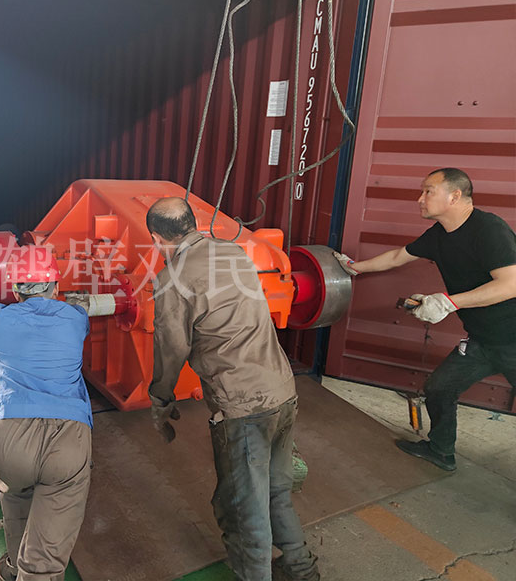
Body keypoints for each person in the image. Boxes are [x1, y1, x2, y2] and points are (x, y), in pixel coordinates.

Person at [145, 198, 320, 581]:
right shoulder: (233, 252)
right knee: (275, 491)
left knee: (243, 510)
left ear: (157, 238)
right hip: (282, 391)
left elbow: (171, 348)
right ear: (192, 223)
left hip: (243, 406)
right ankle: (301, 569)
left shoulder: (171, 280)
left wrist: (161, 397)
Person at [333, 167, 516, 472]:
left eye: (428, 191)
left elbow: (510, 284)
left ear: (454, 196)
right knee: (439, 388)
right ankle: (441, 450)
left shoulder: (488, 229)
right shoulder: (438, 235)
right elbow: (398, 257)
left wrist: (447, 302)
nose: (420, 199)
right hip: (483, 341)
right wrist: (354, 267)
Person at [0, 245, 93, 581]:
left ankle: (13, 566)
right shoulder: (75, 319)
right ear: (55, 286)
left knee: (17, 504)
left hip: (10, 439)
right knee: (44, 558)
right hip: (66, 439)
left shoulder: (0, 319)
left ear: (14, 290)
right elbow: (75, 310)